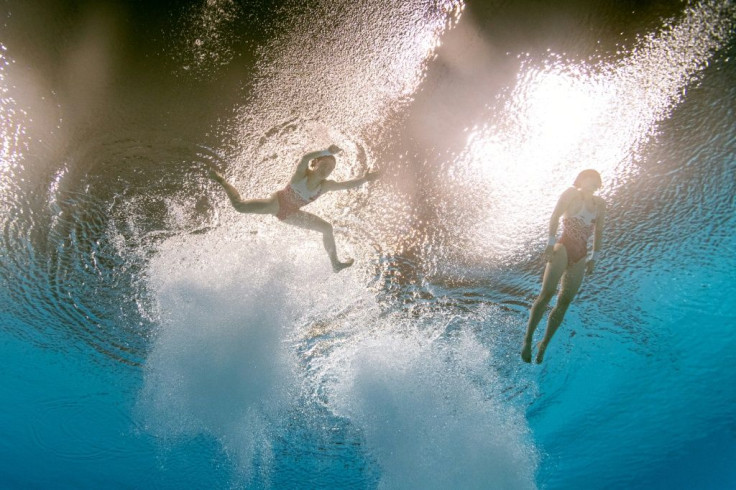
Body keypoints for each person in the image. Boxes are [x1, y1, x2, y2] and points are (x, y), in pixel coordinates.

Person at [208, 145, 380, 272]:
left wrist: (365, 179)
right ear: (315, 164)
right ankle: (221, 180)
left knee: (327, 228)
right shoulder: (301, 175)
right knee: (240, 206)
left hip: (291, 215)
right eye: (324, 165)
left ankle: (335, 263)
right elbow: (305, 158)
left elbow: (347, 185)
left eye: (330, 169)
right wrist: (326, 152)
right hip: (277, 204)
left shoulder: (326, 185)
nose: (326, 171)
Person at [521, 169, 606, 363]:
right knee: (547, 294)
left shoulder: (600, 204)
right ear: (581, 180)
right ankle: (527, 340)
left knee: (565, 302)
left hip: (581, 254)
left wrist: (594, 257)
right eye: (588, 178)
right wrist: (550, 244)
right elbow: (555, 216)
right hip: (563, 246)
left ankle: (543, 344)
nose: (592, 182)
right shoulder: (571, 193)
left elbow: (599, 232)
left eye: (596, 180)